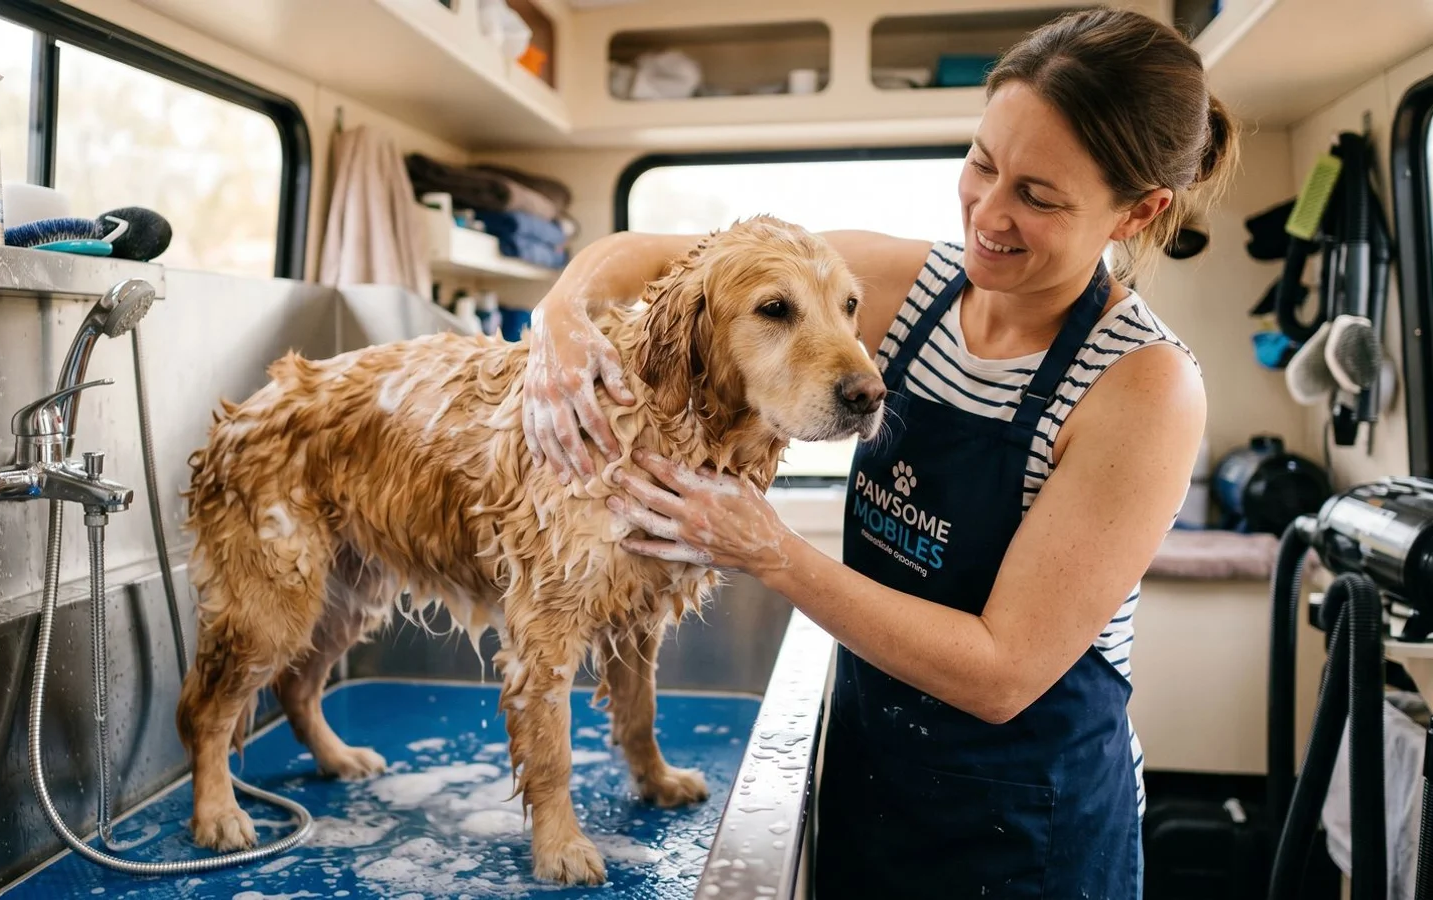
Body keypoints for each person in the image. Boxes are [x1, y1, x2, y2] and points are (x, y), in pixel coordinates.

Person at [519, 6, 1238, 897]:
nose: (990, 214)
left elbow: (1003, 673)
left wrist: (770, 551)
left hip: (1028, 828)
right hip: (871, 769)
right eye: (982, 163)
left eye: (1039, 196)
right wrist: (560, 311)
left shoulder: (1143, 385)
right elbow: (658, 257)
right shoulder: (910, 284)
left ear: (1140, 210)